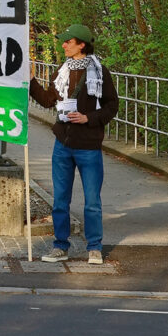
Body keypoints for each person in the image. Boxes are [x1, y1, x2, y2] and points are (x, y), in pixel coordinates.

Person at [28, 23, 119, 265]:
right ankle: (60, 247)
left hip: (89, 146)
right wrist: (31, 82)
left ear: (82, 44)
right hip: (63, 144)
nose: (64, 44)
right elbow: (48, 100)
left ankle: (94, 248)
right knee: (60, 200)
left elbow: (112, 106)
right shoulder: (62, 70)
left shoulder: (101, 72)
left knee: (92, 202)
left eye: (69, 41)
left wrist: (89, 118)